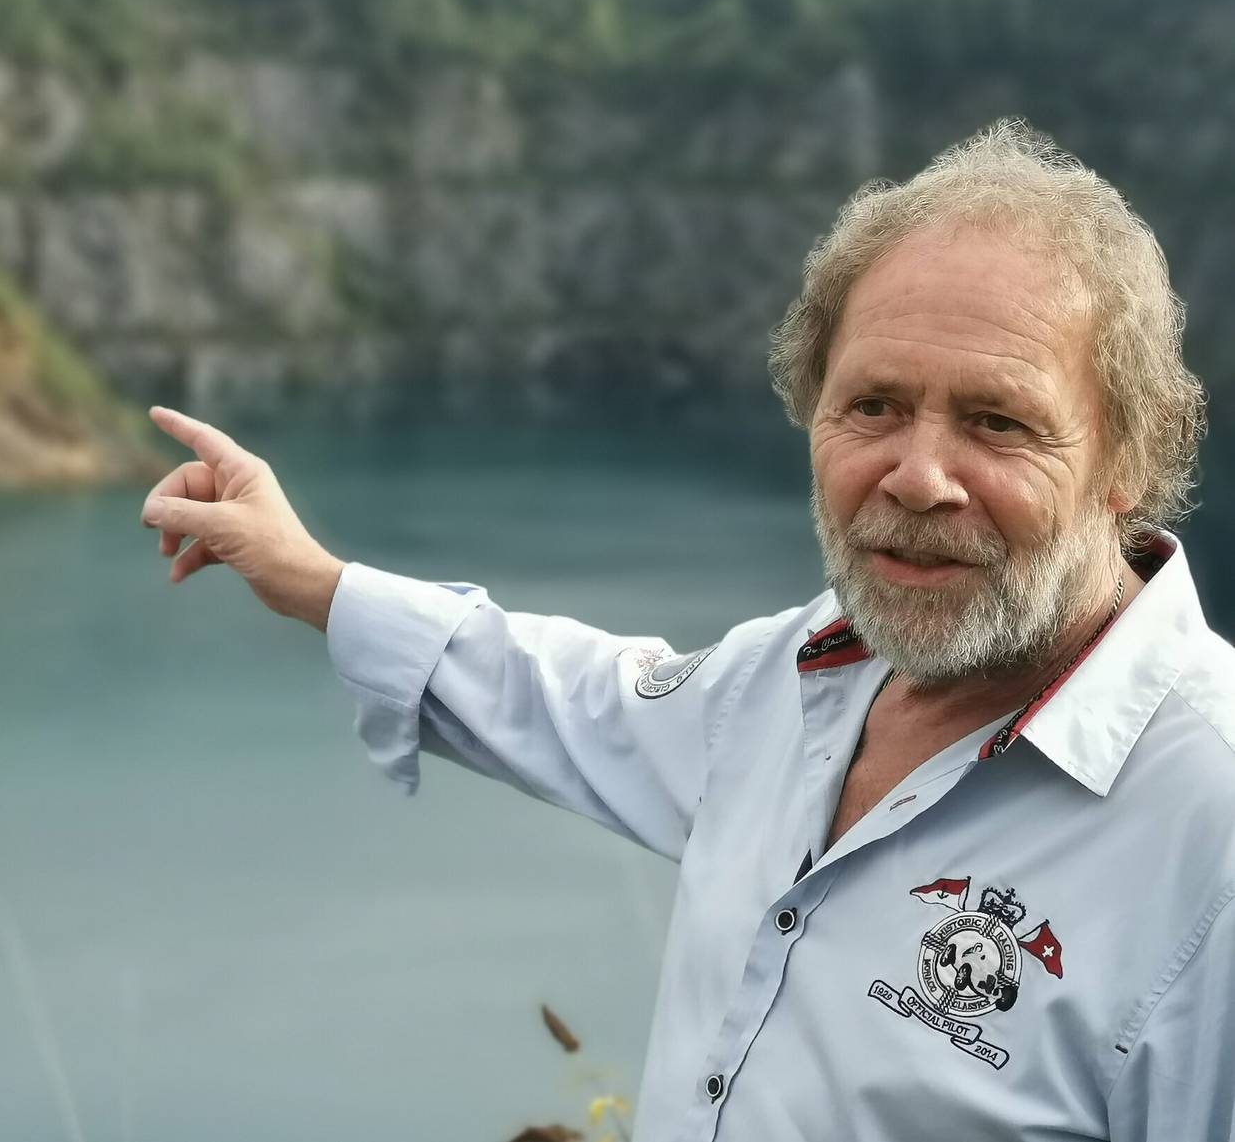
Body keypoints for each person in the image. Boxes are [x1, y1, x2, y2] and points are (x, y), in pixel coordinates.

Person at [139, 120, 1233, 1140]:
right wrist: (314, 578)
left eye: (998, 421)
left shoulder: (1208, 830)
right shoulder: (802, 677)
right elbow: (572, 693)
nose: (917, 474)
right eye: (874, 405)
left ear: (1126, 459)